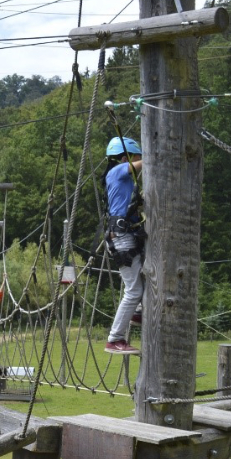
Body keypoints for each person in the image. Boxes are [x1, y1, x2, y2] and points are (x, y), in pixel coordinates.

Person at [103, 136, 145, 356]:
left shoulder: (125, 181)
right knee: (133, 289)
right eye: (135, 158)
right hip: (121, 236)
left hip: (128, 234)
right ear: (125, 158)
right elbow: (146, 164)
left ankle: (138, 312)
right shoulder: (117, 171)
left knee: (144, 275)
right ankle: (115, 337)